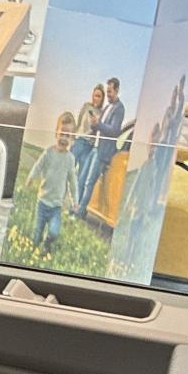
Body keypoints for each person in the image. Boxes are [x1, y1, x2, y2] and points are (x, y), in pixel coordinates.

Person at [32, 110, 76, 252]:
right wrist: (31, 177)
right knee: (37, 234)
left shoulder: (70, 159)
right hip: (42, 202)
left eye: (68, 136)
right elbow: (38, 165)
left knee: (54, 232)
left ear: (72, 138)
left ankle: (47, 244)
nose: (64, 138)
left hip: (56, 206)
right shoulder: (49, 152)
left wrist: (75, 201)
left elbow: (73, 182)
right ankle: (35, 247)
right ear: (56, 132)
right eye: (62, 133)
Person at [83, 75, 126, 216]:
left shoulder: (119, 108)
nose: (108, 95)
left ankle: (79, 212)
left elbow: (114, 131)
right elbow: (100, 127)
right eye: (107, 91)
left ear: (117, 91)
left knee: (89, 183)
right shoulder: (107, 107)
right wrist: (94, 124)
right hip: (95, 148)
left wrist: (99, 124)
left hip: (102, 152)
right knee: (83, 179)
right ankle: (78, 208)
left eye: (110, 92)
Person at [69, 84, 103, 213]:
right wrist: (73, 139)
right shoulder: (86, 106)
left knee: (81, 179)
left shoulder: (101, 113)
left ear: (102, 98)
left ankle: (74, 206)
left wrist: (96, 123)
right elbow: (78, 123)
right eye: (95, 95)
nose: (96, 98)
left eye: (99, 96)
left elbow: (98, 130)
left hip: (89, 146)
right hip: (78, 141)